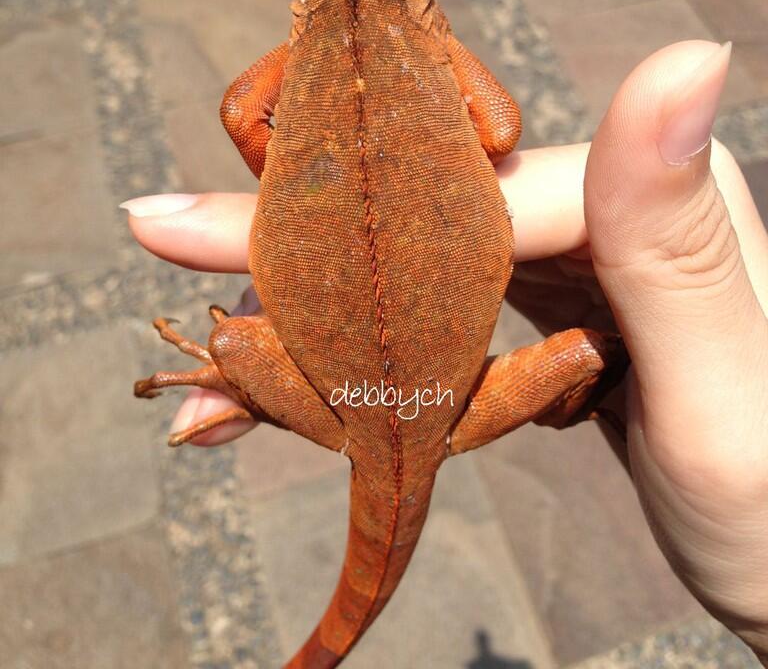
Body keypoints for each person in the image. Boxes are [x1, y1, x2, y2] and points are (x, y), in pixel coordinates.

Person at [122, 39, 768, 664]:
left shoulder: (332, 107)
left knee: (236, 339)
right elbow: (499, 129)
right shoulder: (431, 88)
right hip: (437, 409)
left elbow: (243, 109)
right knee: (585, 356)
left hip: (374, 406)